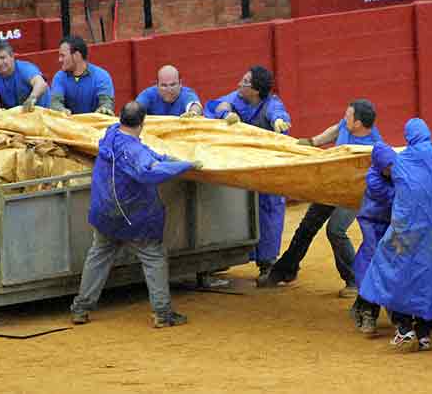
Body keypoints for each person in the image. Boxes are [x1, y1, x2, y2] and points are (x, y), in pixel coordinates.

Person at [70, 101, 202, 327]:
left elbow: (146, 155)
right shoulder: (134, 151)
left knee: (99, 255)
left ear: (121, 118)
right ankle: (162, 313)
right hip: (133, 215)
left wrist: (164, 159)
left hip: (105, 210)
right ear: (142, 123)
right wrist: (184, 165)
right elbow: (148, 171)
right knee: (153, 257)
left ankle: (81, 308)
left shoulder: (111, 133)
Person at [258, 99, 383, 297]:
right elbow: (335, 129)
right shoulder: (348, 125)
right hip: (332, 185)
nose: (344, 118)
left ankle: (355, 280)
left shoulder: (373, 148)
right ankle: (285, 271)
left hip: (354, 193)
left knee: (335, 230)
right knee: (307, 226)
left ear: (358, 123)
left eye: (348, 115)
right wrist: (313, 142)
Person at [359, 118, 432, 352]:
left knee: (393, 271)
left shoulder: (400, 161)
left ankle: (404, 327)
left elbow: (379, 179)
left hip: (406, 230)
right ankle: (424, 333)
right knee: (430, 275)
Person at [204, 66, 291, 280]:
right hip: (243, 168)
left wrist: (279, 121)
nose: (238, 84)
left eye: (244, 82)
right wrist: (226, 112)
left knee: (269, 211)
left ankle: (268, 264)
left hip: (267, 169)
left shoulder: (271, 104)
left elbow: (277, 113)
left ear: (255, 90)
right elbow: (218, 104)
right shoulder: (237, 98)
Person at [350, 142, 397, 335]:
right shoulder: (374, 180)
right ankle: (369, 313)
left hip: (389, 225)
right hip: (372, 225)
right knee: (374, 266)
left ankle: (368, 309)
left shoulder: (392, 170)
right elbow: (393, 197)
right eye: (387, 168)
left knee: (387, 267)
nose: (391, 170)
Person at [51, 35, 115, 115]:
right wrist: (61, 110)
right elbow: (55, 102)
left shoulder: (101, 76)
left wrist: (104, 109)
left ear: (77, 55)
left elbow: (106, 103)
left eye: (63, 56)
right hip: (68, 124)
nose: (59, 60)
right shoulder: (59, 77)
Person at [0, 40, 50, 111]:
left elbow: (41, 84)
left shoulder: (24, 68)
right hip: (17, 117)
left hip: (43, 112)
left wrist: (31, 99)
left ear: (12, 56)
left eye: (2, 58)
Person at [136, 65, 202, 117]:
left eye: (173, 85)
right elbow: (136, 108)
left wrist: (193, 114)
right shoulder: (148, 94)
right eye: (164, 85)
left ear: (180, 83)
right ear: (157, 85)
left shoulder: (187, 94)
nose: (169, 90)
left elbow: (195, 106)